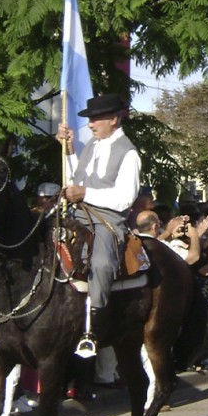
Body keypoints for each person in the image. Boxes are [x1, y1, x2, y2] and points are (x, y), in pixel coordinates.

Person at [55, 93, 141, 354]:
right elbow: (77, 178)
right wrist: (68, 150)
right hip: (77, 214)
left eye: (95, 119)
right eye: (90, 119)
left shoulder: (129, 153)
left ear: (113, 119)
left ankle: (94, 328)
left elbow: (126, 197)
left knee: (102, 264)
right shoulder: (92, 145)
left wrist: (86, 194)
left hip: (108, 220)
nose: (90, 124)